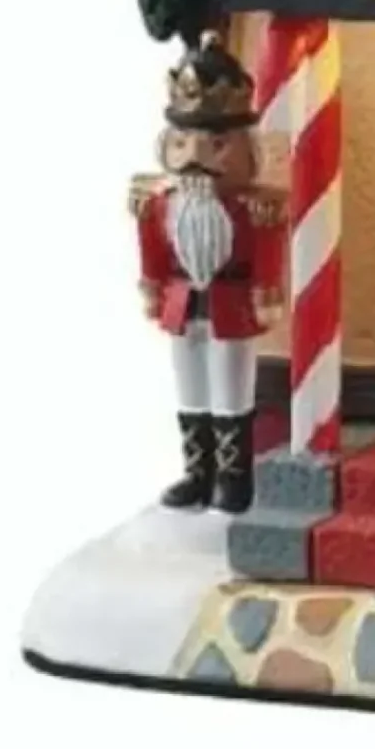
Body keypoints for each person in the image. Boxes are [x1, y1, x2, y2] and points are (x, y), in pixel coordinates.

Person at [130, 35, 284, 514]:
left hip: (231, 301)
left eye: (216, 144)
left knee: (231, 383)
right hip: (182, 301)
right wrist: (152, 286)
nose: (195, 156)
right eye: (183, 143)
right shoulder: (160, 204)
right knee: (190, 383)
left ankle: (233, 475)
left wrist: (266, 290)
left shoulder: (251, 208)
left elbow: (266, 250)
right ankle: (198, 470)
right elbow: (153, 248)